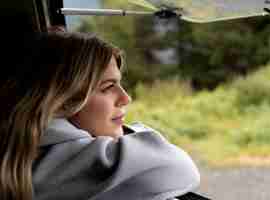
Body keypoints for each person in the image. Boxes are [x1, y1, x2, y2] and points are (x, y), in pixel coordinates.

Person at [0, 30, 207, 200]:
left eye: (120, 84)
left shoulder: (26, 153)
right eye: (108, 87)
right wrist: (133, 131)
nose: (125, 98)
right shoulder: (75, 160)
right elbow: (178, 168)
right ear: (62, 98)